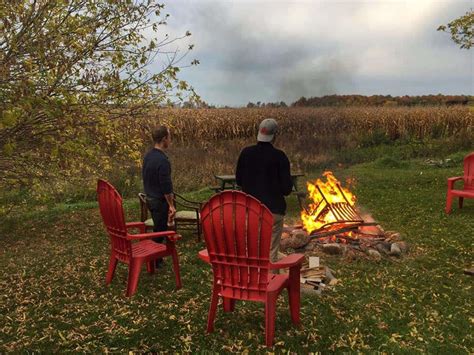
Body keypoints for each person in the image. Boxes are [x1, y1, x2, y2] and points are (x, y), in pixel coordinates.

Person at [235, 118, 293, 263]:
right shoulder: (280, 157)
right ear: (275, 136)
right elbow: (287, 189)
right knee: (271, 253)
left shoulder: (246, 153)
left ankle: (251, 277)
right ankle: (270, 279)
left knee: (252, 249)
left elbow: (239, 181)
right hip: (273, 213)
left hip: (250, 211)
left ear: (259, 133)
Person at [142, 126, 176, 262]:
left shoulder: (148, 156)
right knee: (160, 231)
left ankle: (157, 259)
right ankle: (153, 258)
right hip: (158, 200)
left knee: (158, 227)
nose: (170, 140)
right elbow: (166, 187)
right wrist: (171, 205)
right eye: (169, 137)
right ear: (164, 139)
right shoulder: (162, 160)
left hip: (149, 198)